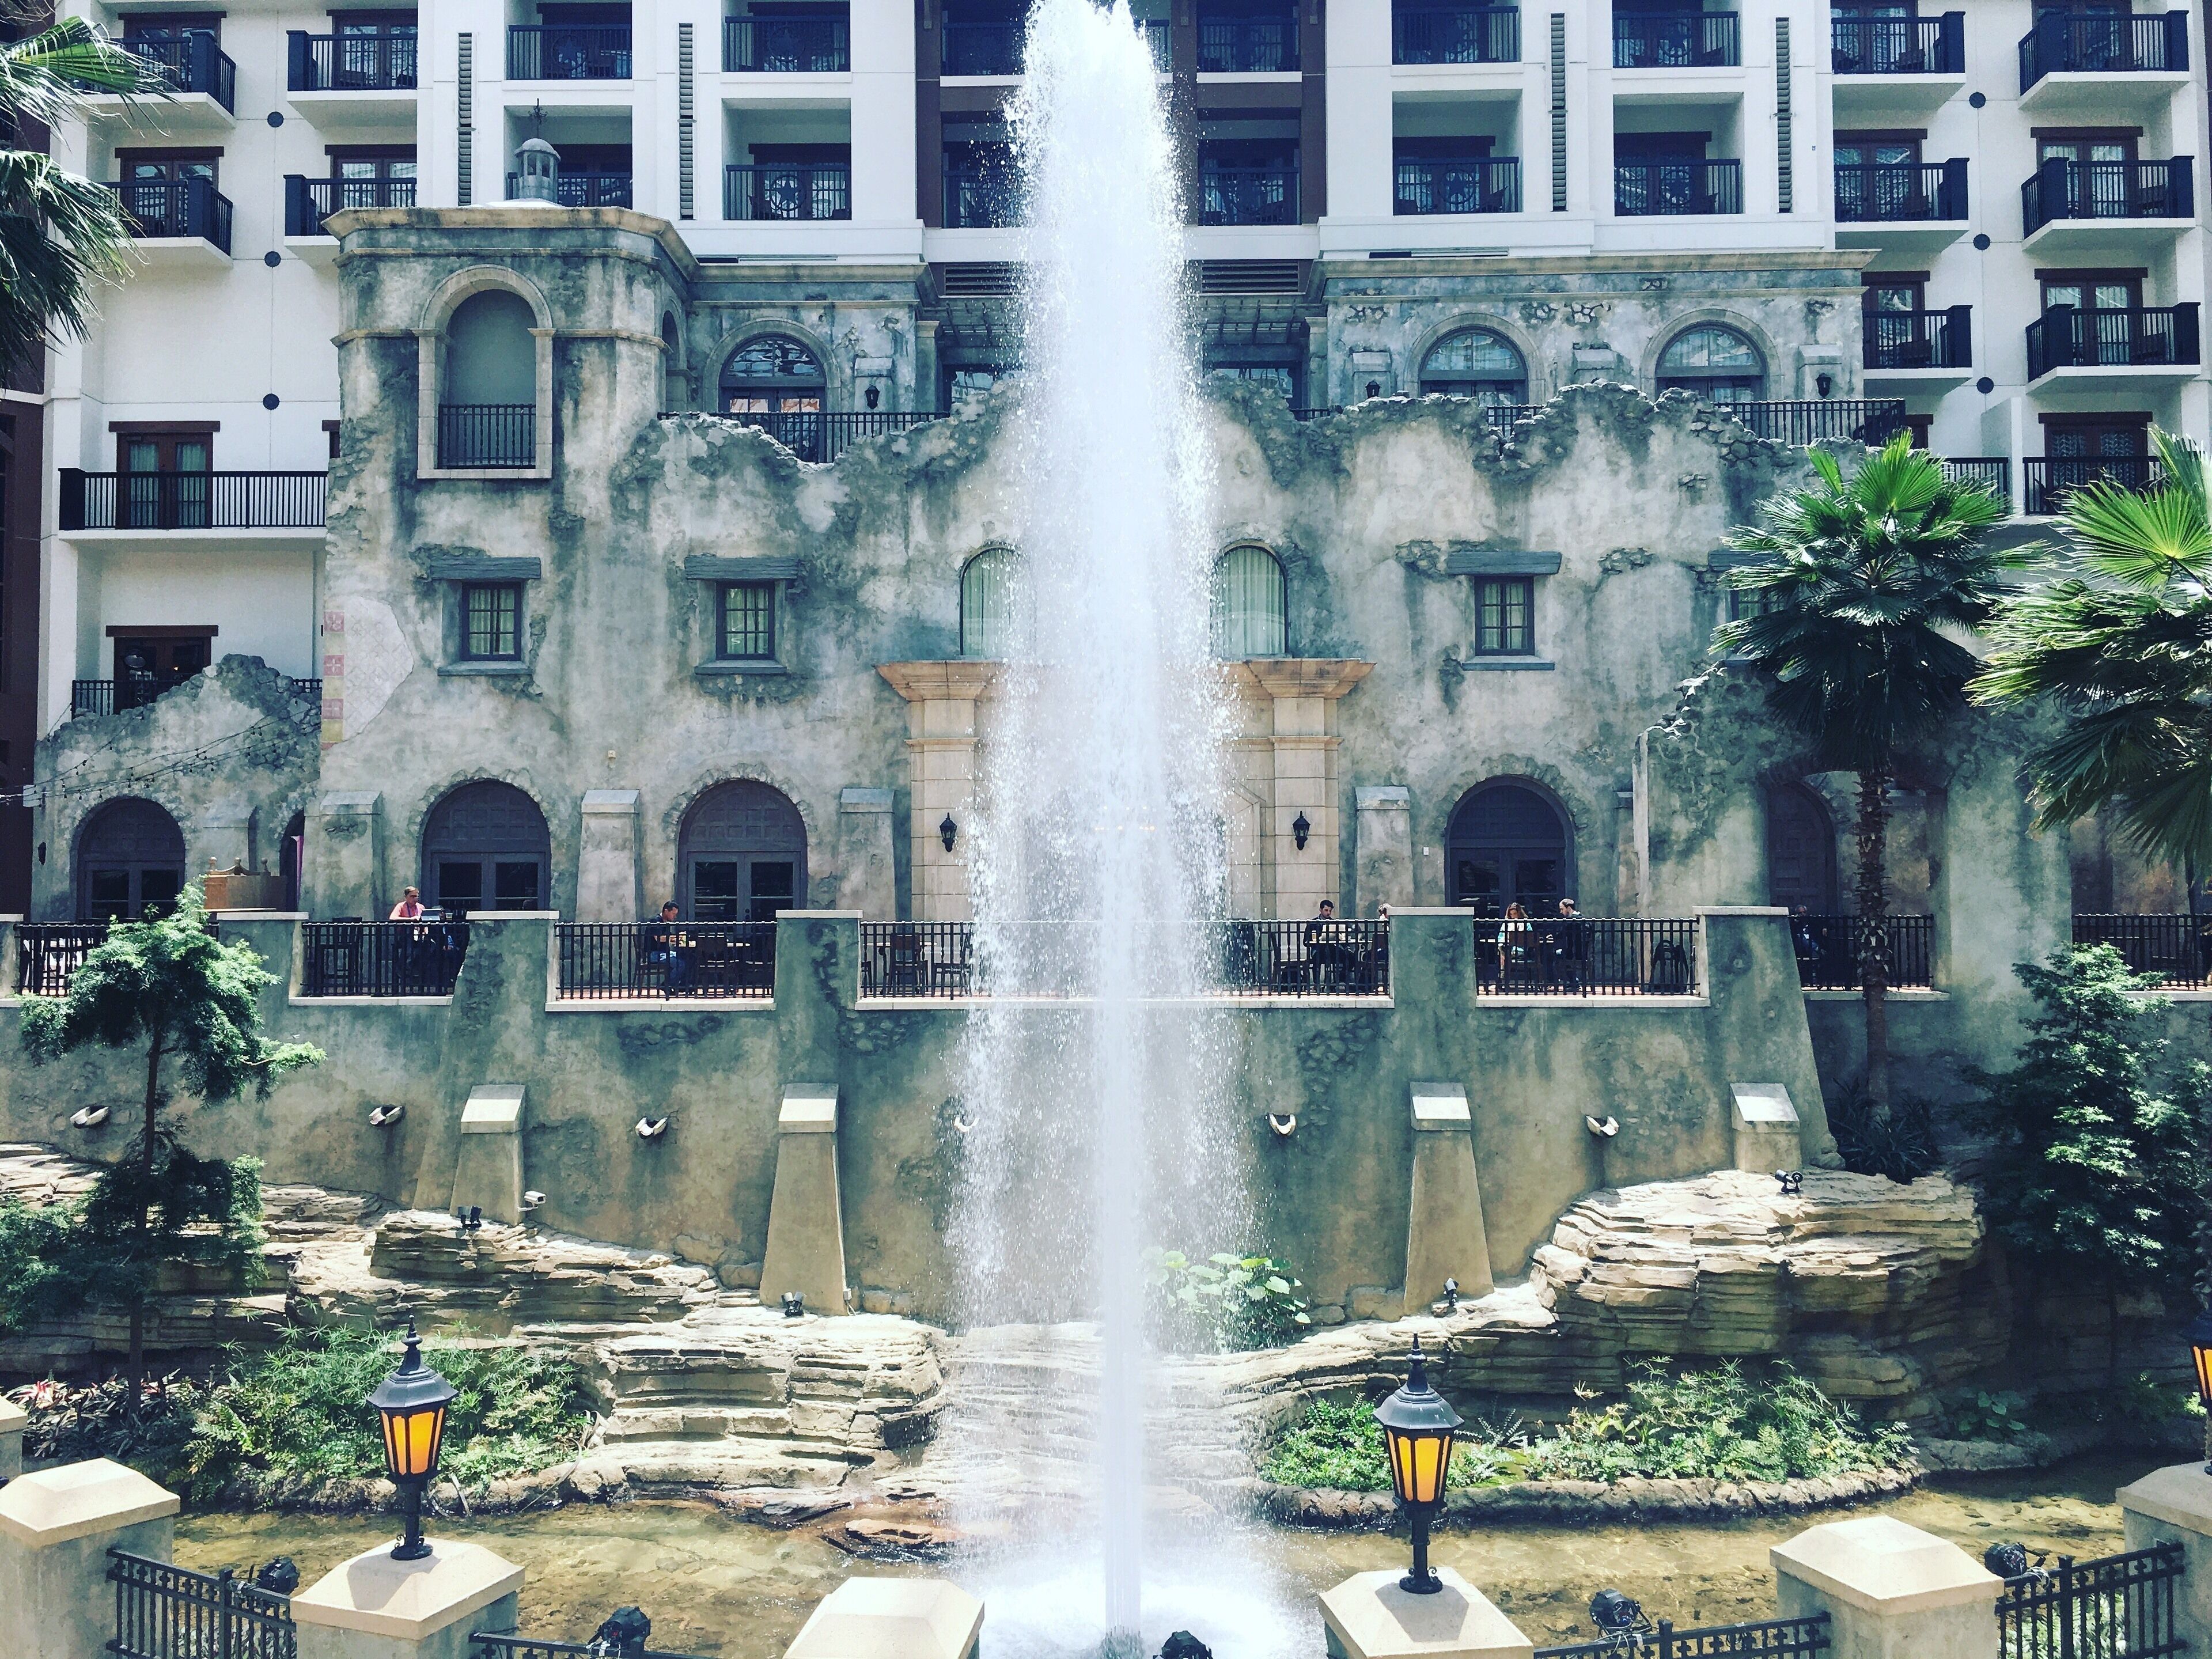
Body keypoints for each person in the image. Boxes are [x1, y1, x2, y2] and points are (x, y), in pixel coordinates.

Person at [644, 902, 694, 994]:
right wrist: (675, 938)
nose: (675, 917)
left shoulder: (666, 923)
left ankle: (682, 985)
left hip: (665, 953)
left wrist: (678, 937)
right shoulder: (655, 921)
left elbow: (669, 937)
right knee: (680, 964)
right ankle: (667, 985)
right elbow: (659, 938)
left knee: (690, 958)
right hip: (655, 954)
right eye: (673, 914)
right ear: (666, 911)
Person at [1499, 901, 1534, 986]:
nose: (1514, 916)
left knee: (1504, 955)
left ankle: (1503, 980)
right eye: (1511, 914)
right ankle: (1504, 980)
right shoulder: (1506, 924)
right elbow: (1500, 937)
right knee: (1504, 951)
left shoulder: (1526, 924)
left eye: (1515, 914)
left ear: (1519, 913)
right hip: (1508, 948)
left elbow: (1531, 938)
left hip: (1521, 950)